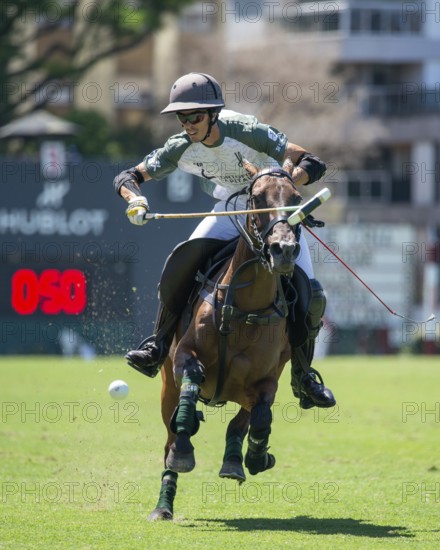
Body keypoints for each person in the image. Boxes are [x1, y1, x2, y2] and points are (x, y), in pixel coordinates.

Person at [113, 72, 336, 409]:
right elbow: (128, 176)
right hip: (229, 210)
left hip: (272, 211)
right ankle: (157, 345)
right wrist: (136, 201)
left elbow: (311, 162)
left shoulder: (244, 130)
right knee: (180, 260)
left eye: (196, 116)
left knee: (311, 292)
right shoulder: (181, 146)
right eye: (182, 117)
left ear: (214, 114)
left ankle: (303, 376)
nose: (188, 124)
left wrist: (280, 178)